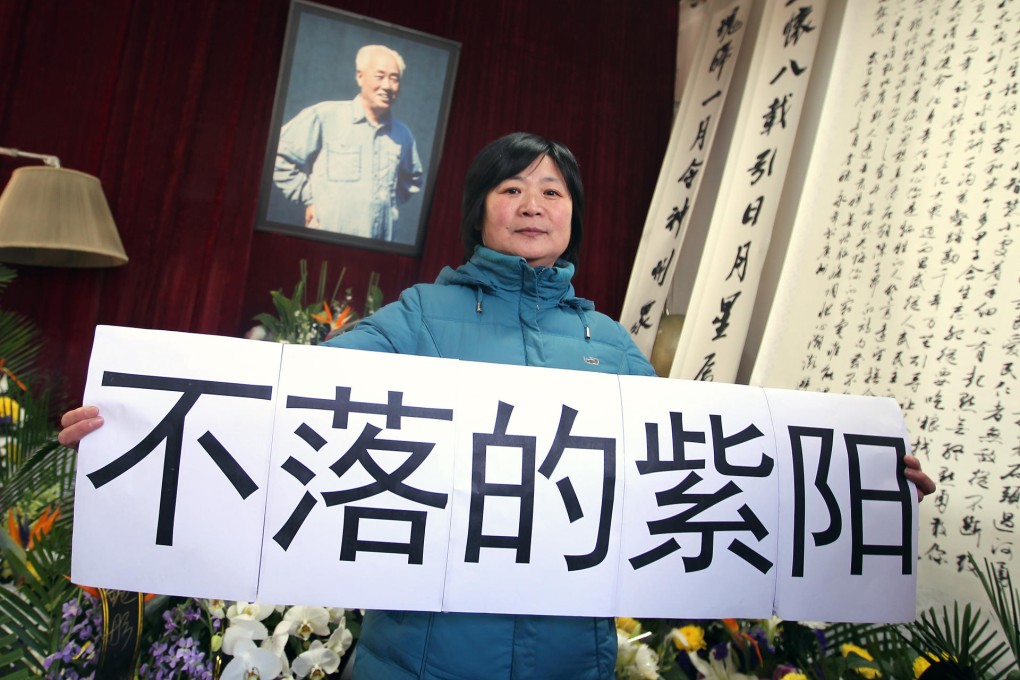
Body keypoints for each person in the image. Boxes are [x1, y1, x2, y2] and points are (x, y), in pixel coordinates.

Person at [60, 133, 937, 679]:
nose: (533, 203)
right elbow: (290, 407)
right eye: (512, 187)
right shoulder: (415, 318)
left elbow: (699, 473)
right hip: (421, 662)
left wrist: (861, 479)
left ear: (573, 221)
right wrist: (131, 427)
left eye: (552, 191)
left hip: (572, 663)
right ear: (480, 210)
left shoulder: (613, 346)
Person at [274, 44, 423, 241]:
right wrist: (310, 198)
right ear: (360, 76)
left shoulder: (403, 135)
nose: (387, 86)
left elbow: (412, 179)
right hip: (326, 241)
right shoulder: (324, 117)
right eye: (379, 76)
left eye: (394, 78)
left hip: (379, 247)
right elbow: (277, 156)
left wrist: (384, 205)